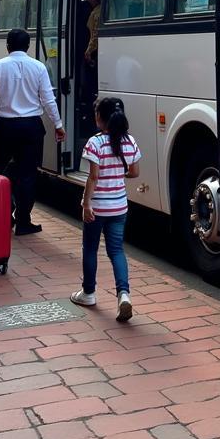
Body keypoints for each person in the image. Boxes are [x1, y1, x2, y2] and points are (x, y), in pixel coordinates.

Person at [0, 28, 66, 236]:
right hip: (31, 127)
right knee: (27, 175)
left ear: (8, 46)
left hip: (5, 126)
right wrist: (58, 124)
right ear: (28, 46)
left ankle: (3, 214)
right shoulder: (38, 67)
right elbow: (47, 99)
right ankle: (24, 221)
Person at [70, 96, 140, 323]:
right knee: (116, 251)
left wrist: (86, 203)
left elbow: (93, 177)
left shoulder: (95, 142)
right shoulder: (130, 141)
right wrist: (121, 174)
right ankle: (124, 294)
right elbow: (135, 172)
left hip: (98, 207)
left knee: (90, 249)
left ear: (100, 119)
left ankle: (88, 293)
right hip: (119, 207)